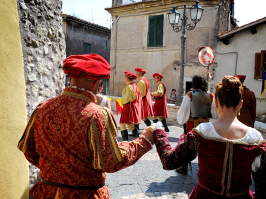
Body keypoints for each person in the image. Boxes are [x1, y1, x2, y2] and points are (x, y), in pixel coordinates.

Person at [17, 54, 154, 199]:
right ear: (96, 84)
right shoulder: (97, 115)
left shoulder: (42, 108)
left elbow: (29, 150)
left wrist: (56, 171)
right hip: (84, 195)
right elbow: (113, 161)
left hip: (46, 193)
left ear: (70, 79)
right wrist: (145, 141)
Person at [149, 76, 266, 199]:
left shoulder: (202, 133)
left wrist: (159, 131)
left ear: (216, 102)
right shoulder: (255, 139)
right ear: (240, 104)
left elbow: (169, 161)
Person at [176, 74, 213, 174]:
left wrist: (181, 120)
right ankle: (205, 169)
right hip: (206, 124)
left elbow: (183, 110)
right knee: (204, 146)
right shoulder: (210, 95)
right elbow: (213, 112)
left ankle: (183, 167)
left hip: (192, 123)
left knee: (188, 145)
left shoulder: (190, 95)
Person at [120, 71, 142, 140]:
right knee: (129, 125)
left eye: (125, 77)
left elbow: (128, 98)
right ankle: (139, 134)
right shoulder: (135, 86)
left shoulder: (129, 86)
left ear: (127, 78)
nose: (124, 78)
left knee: (122, 124)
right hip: (132, 107)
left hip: (128, 107)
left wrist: (122, 101)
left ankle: (125, 141)